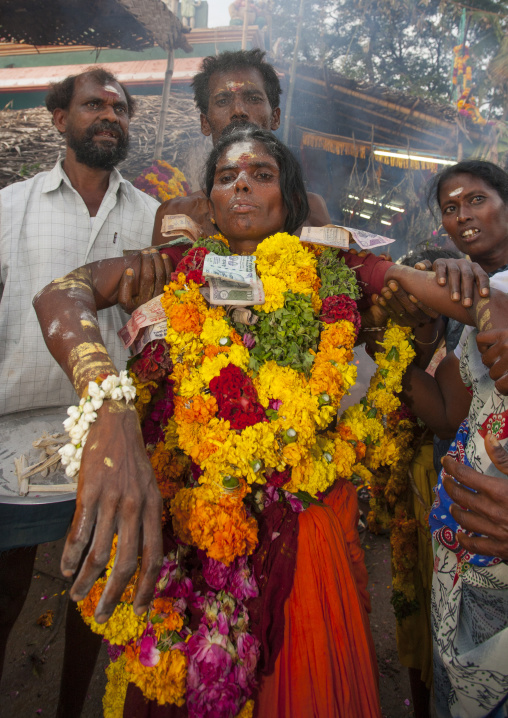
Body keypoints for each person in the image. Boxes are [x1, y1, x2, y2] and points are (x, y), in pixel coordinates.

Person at [35, 126, 403, 717]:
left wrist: (477, 290)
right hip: (189, 523)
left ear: (290, 198)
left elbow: (412, 287)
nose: (242, 186)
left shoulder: (331, 273)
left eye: (262, 175)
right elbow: (61, 294)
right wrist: (108, 401)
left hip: (296, 529)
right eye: (227, 177)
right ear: (208, 201)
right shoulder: (175, 268)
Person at [0, 67, 167, 717]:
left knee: (98, 592)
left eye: (120, 108)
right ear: (58, 119)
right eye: (94, 104)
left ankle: (71, 707)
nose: (109, 115)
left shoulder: (153, 217)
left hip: (112, 432)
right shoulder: (10, 207)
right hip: (13, 431)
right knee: (7, 587)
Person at [378, 161, 508, 718]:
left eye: (476, 200)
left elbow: (492, 306)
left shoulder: (483, 291)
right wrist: (392, 354)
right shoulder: (463, 298)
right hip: (468, 527)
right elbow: (452, 416)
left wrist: (387, 272)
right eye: (451, 209)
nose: (463, 217)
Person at [151, 49, 331, 244]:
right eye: (222, 101)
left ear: (275, 117)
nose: (238, 111)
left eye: (253, 99)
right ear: (205, 123)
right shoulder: (177, 216)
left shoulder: (309, 209)